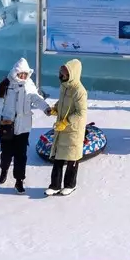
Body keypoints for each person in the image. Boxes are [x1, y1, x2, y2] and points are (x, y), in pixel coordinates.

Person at [0, 59, 49, 196]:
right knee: (6, 154)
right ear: (15, 73)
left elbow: (36, 98)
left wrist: (46, 108)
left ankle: (19, 181)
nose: (23, 76)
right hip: (7, 125)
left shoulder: (29, 85)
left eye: (25, 74)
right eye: (21, 74)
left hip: (23, 127)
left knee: (21, 156)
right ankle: (4, 169)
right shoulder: (6, 86)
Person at [48, 60, 87, 196]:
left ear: (72, 74)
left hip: (73, 130)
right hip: (62, 128)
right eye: (60, 73)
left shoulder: (79, 91)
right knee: (58, 157)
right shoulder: (64, 87)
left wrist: (66, 122)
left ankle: (70, 185)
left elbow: (81, 112)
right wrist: (55, 109)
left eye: (64, 74)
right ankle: (55, 185)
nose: (61, 76)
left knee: (72, 158)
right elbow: (62, 102)